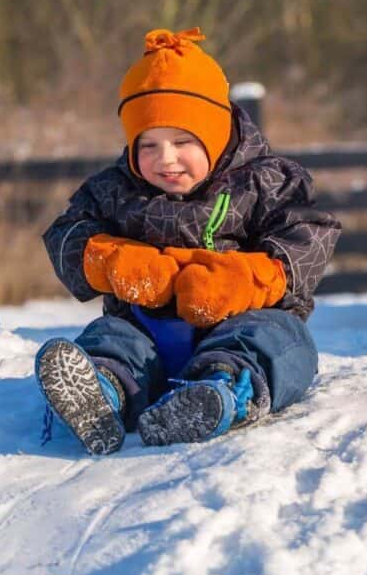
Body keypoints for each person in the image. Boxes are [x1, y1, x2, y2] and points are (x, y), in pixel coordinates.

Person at [36, 27, 341, 454]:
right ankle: (103, 391)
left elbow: (311, 232)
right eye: (149, 144)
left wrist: (252, 277)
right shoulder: (115, 188)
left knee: (279, 341)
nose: (166, 159)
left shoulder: (266, 180)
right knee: (110, 336)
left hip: (242, 323)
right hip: (144, 326)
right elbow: (65, 233)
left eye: (183, 142)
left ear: (215, 132)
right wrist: (108, 260)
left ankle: (222, 393)